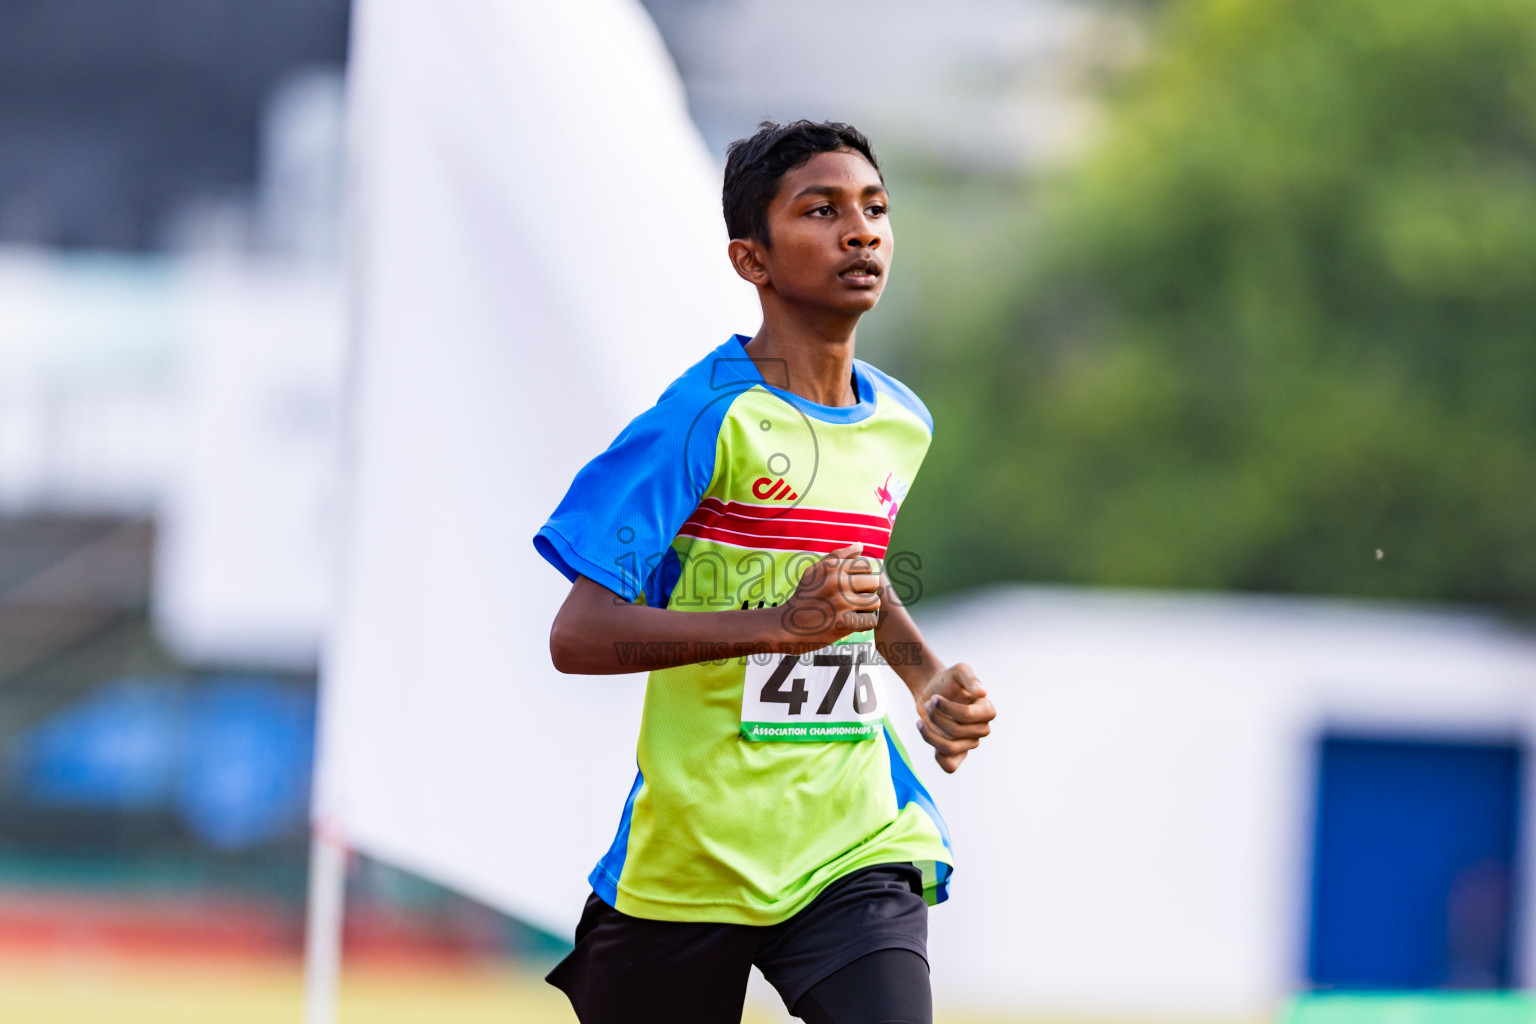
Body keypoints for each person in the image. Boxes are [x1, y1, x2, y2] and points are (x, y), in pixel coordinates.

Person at [533, 119, 996, 1024]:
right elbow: (578, 634)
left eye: (874, 209)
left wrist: (924, 675)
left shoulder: (901, 421)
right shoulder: (704, 420)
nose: (859, 231)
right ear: (752, 258)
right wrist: (777, 627)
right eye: (820, 211)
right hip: (693, 860)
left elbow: (854, 580)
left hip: (854, 841)